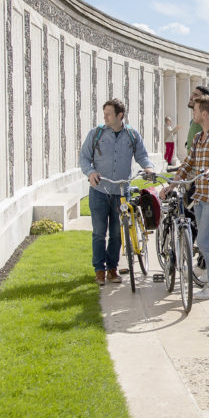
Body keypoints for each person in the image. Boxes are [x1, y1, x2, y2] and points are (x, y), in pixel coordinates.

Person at [163, 93, 209, 299]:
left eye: (194, 110)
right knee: (208, 241)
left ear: (204, 113)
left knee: (203, 242)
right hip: (200, 197)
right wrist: (172, 184)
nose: (192, 113)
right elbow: (188, 164)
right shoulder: (197, 138)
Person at [79, 98, 155, 285]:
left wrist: (149, 168)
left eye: (108, 114)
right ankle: (99, 270)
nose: (104, 117)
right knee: (98, 232)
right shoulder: (96, 134)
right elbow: (84, 158)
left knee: (116, 232)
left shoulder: (131, 135)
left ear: (120, 115)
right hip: (99, 190)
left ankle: (112, 269)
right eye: (104, 113)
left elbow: (142, 156)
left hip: (121, 192)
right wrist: (90, 173)